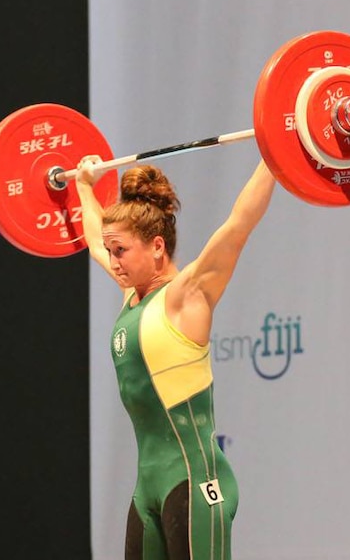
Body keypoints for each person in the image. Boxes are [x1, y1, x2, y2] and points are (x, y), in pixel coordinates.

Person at [75, 155, 276, 560]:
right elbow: (96, 237)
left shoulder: (188, 295)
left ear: (157, 247)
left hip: (195, 481)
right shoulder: (131, 296)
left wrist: (275, 156)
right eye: (111, 251)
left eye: (121, 251)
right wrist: (83, 185)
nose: (112, 261)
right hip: (148, 487)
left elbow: (239, 225)